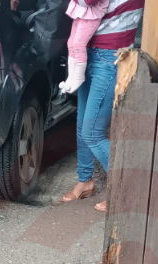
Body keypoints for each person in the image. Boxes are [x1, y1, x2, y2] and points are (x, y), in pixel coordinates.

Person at [61, 0, 144, 208]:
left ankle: (124, 191)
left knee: (92, 132)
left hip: (110, 54)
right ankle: (85, 181)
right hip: (88, 50)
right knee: (83, 123)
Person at [59, 0, 110, 95]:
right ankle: (71, 76)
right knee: (71, 43)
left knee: (79, 44)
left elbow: (87, 2)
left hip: (91, 13)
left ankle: (78, 76)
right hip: (82, 10)